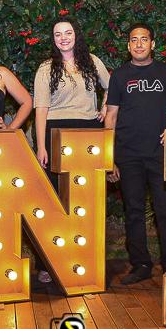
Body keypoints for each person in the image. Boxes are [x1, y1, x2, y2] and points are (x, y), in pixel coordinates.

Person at [105, 23, 166, 285]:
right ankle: (141, 265)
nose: (139, 44)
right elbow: (111, 116)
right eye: (134, 40)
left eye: (144, 39)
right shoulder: (120, 75)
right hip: (127, 155)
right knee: (133, 211)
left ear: (153, 44)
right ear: (128, 46)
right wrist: (108, 157)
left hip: (161, 155)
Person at [33, 17, 110, 283]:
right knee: (53, 201)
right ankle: (47, 263)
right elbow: (40, 110)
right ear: (53, 39)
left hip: (87, 133)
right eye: (58, 34)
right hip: (55, 132)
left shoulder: (93, 61)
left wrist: (104, 107)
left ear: (76, 35)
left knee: (84, 199)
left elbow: (113, 87)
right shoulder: (46, 68)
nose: (63, 38)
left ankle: (84, 258)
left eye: (68, 32)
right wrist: (41, 146)